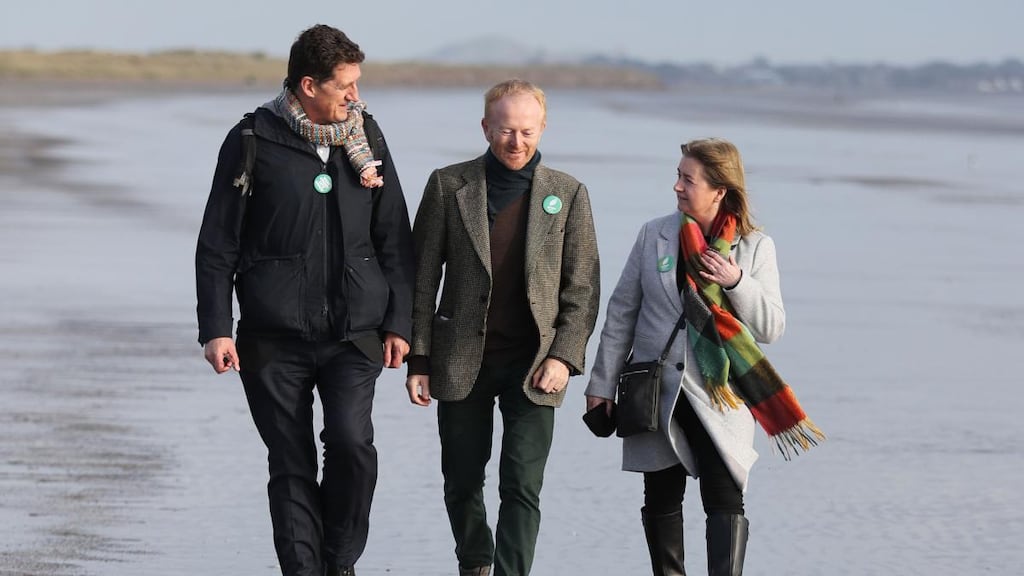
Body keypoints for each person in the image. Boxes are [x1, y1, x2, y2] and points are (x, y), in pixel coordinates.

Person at [195, 24, 415, 576]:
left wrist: (401, 323)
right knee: (290, 464)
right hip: (272, 338)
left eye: (357, 84)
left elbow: (395, 237)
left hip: (355, 333)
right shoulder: (252, 139)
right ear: (308, 84)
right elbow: (218, 240)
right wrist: (216, 326)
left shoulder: (367, 138)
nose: (354, 96)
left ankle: (338, 562)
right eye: (345, 86)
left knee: (352, 447)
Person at [584, 138, 823, 576]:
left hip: (720, 396)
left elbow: (772, 327)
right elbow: (622, 312)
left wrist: (735, 282)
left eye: (686, 178)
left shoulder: (754, 248)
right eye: (678, 175)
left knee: (725, 497)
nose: (676, 186)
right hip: (655, 390)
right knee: (659, 496)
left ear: (719, 190)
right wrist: (600, 385)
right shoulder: (653, 234)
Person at [404, 79, 601, 576]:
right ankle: (475, 562)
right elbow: (422, 279)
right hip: (460, 359)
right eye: (507, 130)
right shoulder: (449, 185)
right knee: (462, 479)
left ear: (543, 128)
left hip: (535, 365)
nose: (517, 142)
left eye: (528, 131)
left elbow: (582, 289)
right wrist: (419, 361)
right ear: (486, 127)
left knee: (521, 483)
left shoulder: (568, 193)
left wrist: (564, 356)